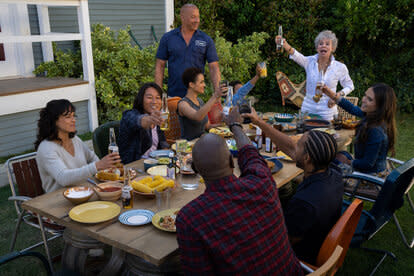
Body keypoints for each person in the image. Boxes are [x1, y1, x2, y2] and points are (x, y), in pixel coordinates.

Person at [176, 107, 303, 275]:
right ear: (231, 161)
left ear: (196, 170)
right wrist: (235, 125)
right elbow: (250, 153)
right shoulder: (262, 181)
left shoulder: (190, 218)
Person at [243, 109, 343, 264]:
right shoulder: (334, 174)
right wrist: (259, 123)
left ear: (307, 158)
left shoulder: (305, 203)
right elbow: (290, 147)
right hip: (318, 234)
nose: (294, 145)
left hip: (299, 256)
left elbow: (282, 244)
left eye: (299, 145)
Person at [35, 99, 120, 193]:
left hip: (84, 191)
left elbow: (92, 158)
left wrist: (106, 170)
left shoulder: (75, 140)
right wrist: (97, 166)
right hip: (58, 200)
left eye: (73, 116)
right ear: (54, 121)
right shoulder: (46, 148)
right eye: (68, 117)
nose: (73, 120)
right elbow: (63, 178)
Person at [276, 30, 354, 120]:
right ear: (317, 48)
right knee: (305, 133)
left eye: (327, 44)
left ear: (333, 48)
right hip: (308, 109)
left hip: (328, 111)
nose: (323, 45)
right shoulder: (309, 61)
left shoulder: (340, 67)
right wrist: (284, 43)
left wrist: (337, 97)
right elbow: (295, 55)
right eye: (321, 43)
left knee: (327, 133)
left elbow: (350, 86)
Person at [322, 83, 397, 175]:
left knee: (324, 161)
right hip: (366, 167)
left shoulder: (375, 130)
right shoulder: (372, 117)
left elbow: (368, 164)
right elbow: (352, 108)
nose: (364, 100)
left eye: (369, 99)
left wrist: (349, 162)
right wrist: (331, 94)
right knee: (338, 154)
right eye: (365, 95)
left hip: (368, 176)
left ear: (380, 107)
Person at [155, 3, 221, 98]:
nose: (197, 20)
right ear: (182, 17)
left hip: (197, 97)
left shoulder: (206, 39)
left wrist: (217, 95)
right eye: (193, 17)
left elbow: (214, 68)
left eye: (198, 17)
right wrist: (158, 95)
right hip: (174, 96)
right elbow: (159, 66)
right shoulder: (168, 38)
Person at [118, 82, 170, 164]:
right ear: (141, 99)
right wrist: (150, 119)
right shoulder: (129, 115)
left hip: (155, 163)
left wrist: (167, 157)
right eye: (149, 97)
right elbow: (138, 120)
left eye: (158, 98)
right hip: (134, 166)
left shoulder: (158, 117)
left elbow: (162, 142)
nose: (154, 101)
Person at [177, 67, 225, 140]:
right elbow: (197, 117)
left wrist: (223, 125)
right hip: (189, 146)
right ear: (191, 84)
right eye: (201, 82)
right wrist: (215, 96)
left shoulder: (200, 101)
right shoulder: (183, 104)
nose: (204, 85)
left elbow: (207, 126)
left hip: (203, 141)